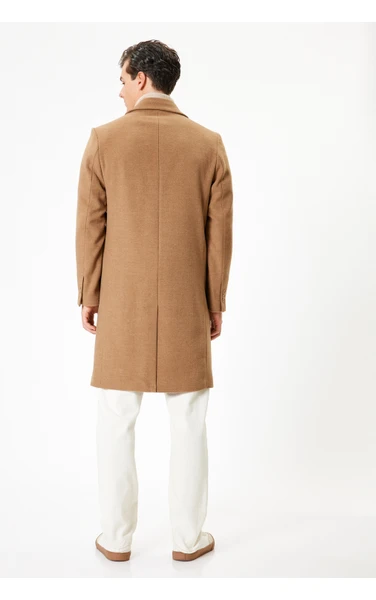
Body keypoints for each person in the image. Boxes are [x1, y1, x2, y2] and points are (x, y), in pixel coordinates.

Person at [75, 39, 233, 562]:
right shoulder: (209, 144)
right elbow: (219, 235)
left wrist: (89, 293)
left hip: (122, 303)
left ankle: (116, 539)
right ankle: (188, 540)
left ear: (141, 78)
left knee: (116, 418)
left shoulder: (104, 140)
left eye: (123, 80)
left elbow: (91, 226)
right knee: (189, 421)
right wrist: (215, 301)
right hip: (188, 302)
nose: (120, 90)